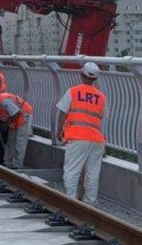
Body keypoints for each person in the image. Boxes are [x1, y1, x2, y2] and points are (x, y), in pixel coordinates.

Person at [56, 62, 108, 205]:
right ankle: (90, 202)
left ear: (81, 74)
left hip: (78, 137)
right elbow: (101, 116)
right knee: (93, 172)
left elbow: (63, 113)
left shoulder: (73, 91)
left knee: (72, 170)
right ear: (95, 79)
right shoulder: (101, 96)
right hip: (97, 139)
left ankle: (71, 201)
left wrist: (59, 130)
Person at [0, 89, 34, 169]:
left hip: (24, 115)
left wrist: (5, 124)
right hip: (13, 119)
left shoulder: (2, 100)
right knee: (10, 141)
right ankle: (8, 163)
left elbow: (16, 112)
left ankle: (17, 165)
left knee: (20, 142)